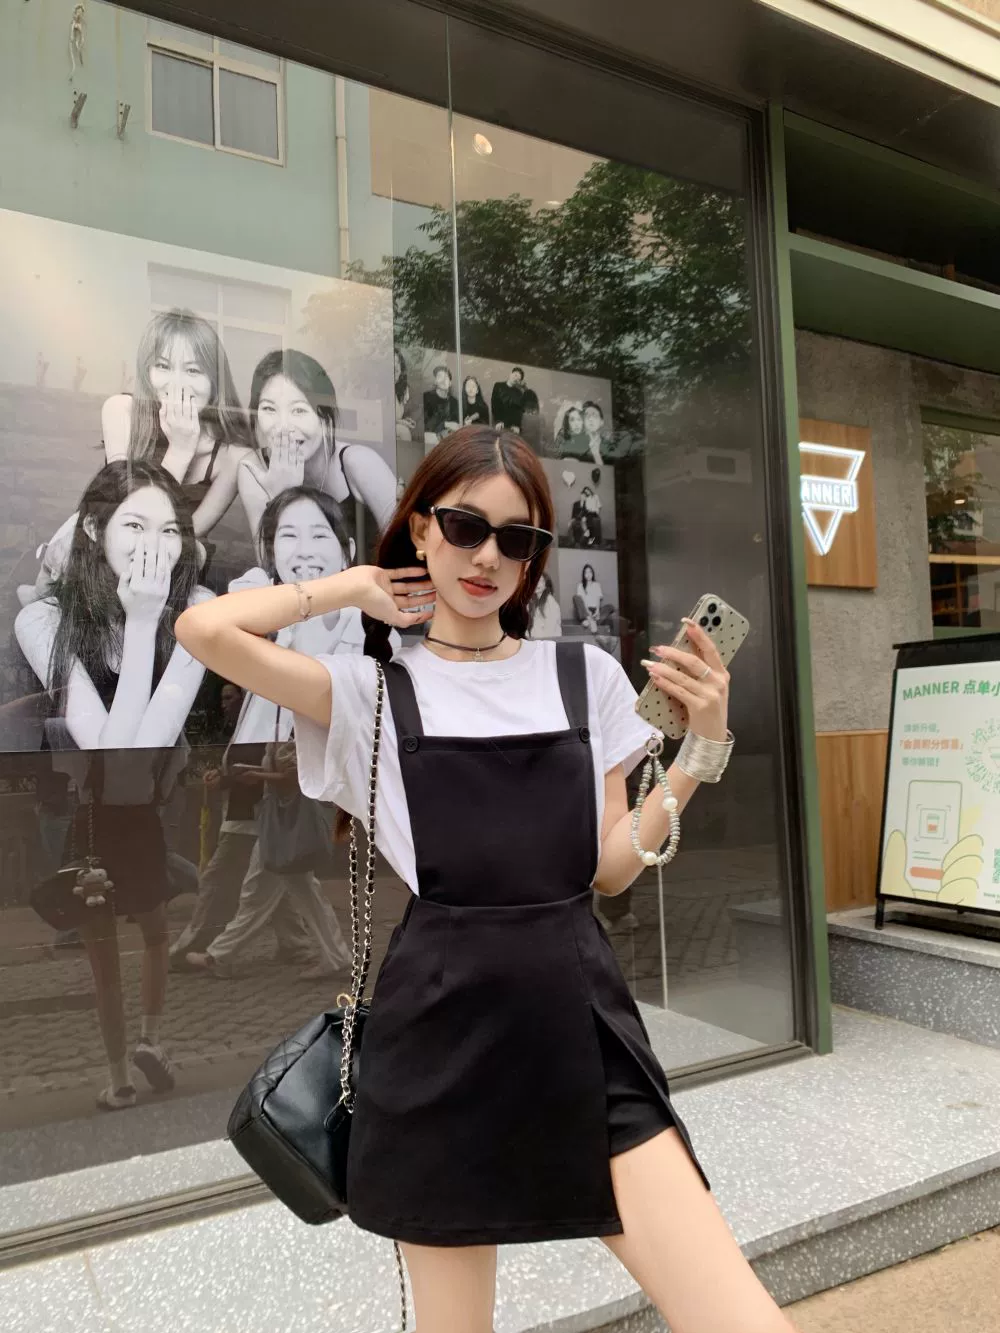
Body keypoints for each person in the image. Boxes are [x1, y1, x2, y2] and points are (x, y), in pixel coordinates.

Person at [175, 425, 798, 1333]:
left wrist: (699, 752)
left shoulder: (582, 674)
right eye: (466, 527)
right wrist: (353, 586)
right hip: (438, 1039)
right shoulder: (369, 689)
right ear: (422, 529)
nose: (488, 557)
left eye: (518, 538)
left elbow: (610, 868)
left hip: (580, 1026)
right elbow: (203, 629)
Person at [20, 310, 253, 606]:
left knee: (196, 552)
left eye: (193, 371)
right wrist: (180, 451)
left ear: (215, 382)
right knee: (77, 532)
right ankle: (47, 594)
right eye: (163, 367)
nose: (177, 383)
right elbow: (121, 513)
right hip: (110, 541)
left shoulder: (233, 457)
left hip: (168, 553)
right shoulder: (121, 410)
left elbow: (185, 533)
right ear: (147, 371)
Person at [15, 461, 213, 750]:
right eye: (135, 526)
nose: (152, 546)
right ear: (94, 528)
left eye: (169, 531)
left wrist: (143, 621)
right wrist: (141, 621)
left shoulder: (198, 610)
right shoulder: (41, 620)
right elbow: (114, 761)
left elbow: (145, 755)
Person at [54, 746, 187, 1110]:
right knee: (156, 936)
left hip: (93, 832)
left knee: (105, 970)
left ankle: (120, 1082)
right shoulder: (163, 721)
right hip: (143, 831)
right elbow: (168, 786)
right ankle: (150, 1038)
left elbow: (66, 771)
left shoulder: (82, 721)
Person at [183, 732, 352, 982]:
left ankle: (219, 956)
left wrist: (257, 776)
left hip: (282, 826)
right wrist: (255, 772)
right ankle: (336, 956)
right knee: (295, 894)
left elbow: (294, 776)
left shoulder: (285, 730)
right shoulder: (283, 729)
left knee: (261, 894)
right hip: (281, 825)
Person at [238, 349, 397, 555]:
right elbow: (271, 565)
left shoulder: (359, 462)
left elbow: (409, 548)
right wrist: (282, 496)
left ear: (324, 416)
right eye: (269, 409)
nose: (283, 427)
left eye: (299, 410)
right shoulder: (253, 468)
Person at [574, 561, 618, 639]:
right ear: (583, 575)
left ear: (592, 573)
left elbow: (598, 599)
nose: (588, 574)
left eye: (590, 572)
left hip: (595, 612)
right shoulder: (580, 586)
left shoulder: (597, 585)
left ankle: (591, 621)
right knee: (576, 597)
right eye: (586, 572)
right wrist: (587, 612)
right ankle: (589, 620)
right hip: (585, 612)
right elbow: (581, 601)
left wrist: (597, 611)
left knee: (610, 606)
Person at [422, 365, 460, 443]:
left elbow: (456, 425)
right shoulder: (426, 397)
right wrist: (445, 424)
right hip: (429, 439)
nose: (443, 380)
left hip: (447, 440)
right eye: (440, 376)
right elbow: (427, 425)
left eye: (446, 377)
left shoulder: (454, 402)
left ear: (450, 383)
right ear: (435, 381)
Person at [490, 366, 526, 432]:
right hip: (498, 424)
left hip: (512, 427)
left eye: (518, 379)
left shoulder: (519, 393)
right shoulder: (498, 386)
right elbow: (494, 404)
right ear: (510, 374)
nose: (516, 379)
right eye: (515, 375)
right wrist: (498, 421)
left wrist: (517, 426)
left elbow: (519, 411)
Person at [528, 571, 561, 639]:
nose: (537, 583)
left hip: (549, 640)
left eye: (540, 581)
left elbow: (551, 628)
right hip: (536, 640)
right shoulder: (532, 601)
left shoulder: (550, 601)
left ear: (546, 585)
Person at [394, 350, 415, 442]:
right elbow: (381, 419)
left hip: (394, 430)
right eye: (392, 361)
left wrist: (405, 420)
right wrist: (401, 422)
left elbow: (396, 416)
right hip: (381, 429)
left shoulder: (402, 389)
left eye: (398, 362)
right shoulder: (381, 388)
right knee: (404, 431)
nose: (395, 366)